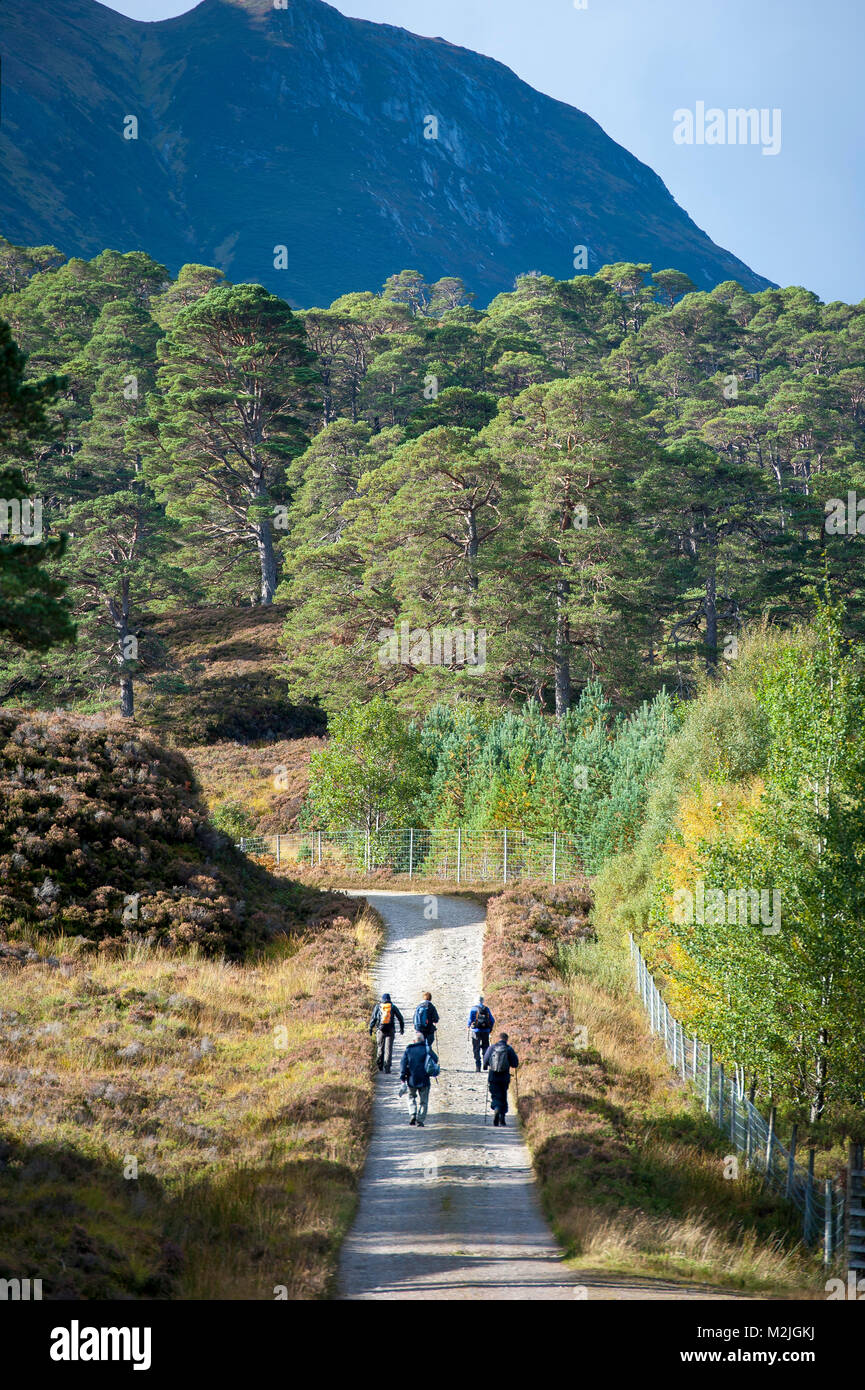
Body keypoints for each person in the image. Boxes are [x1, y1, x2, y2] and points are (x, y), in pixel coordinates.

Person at [483, 1032, 519, 1126]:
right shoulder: (509, 1049)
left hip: (493, 1076)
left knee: (495, 1095)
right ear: (506, 1039)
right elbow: (515, 1063)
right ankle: (502, 1117)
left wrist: (486, 1066)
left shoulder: (492, 1048)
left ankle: (496, 1108)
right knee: (503, 1095)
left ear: (498, 1038)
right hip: (504, 1076)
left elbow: (485, 1061)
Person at [399, 1031, 432, 1127]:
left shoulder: (409, 1050)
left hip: (411, 1079)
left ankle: (413, 1114)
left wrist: (403, 1077)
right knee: (424, 1101)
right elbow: (435, 1059)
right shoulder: (427, 1049)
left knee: (411, 1097)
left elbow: (403, 1064)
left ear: (414, 1041)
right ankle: (420, 1120)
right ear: (423, 1040)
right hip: (424, 1079)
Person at [368, 991, 404, 1073]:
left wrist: (370, 1028)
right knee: (388, 1049)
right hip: (390, 1030)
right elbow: (400, 1018)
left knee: (380, 1047)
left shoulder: (378, 1006)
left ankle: (380, 1066)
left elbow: (373, 1019)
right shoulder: (392, 1006)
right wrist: (402, 1029)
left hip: (380, 1030)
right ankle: (387, 1068)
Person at [467, 994, 495, 1072]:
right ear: (483, 1001)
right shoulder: (487, 1009)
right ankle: (485, 1064)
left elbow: (470, 1020)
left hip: (476, 1031)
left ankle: (478, 1066)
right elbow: (492, 1020)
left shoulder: (473, 1009)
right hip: (485, 1031)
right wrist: (490, 1028)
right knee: (485, 1047)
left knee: (476, 1048)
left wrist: (468, 1026)